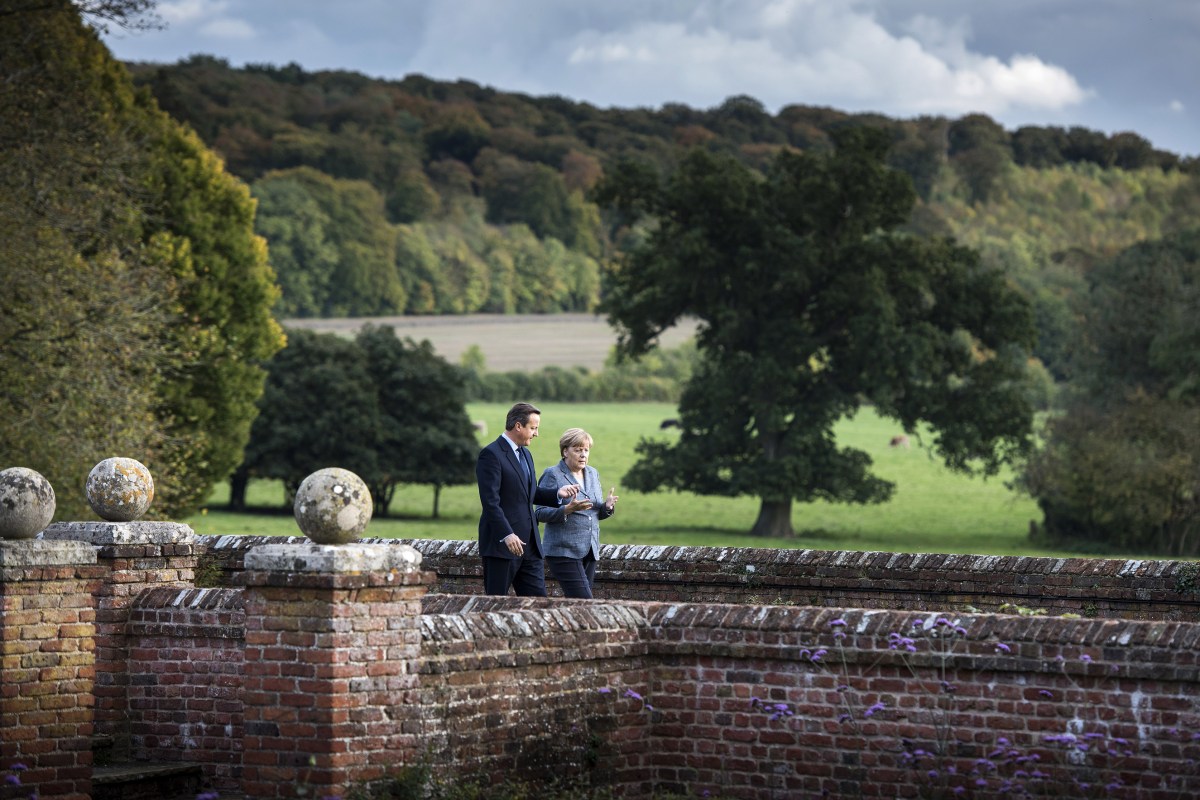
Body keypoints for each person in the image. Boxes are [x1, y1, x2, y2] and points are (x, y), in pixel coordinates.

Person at [476, 402, 584, 596]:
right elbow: (490, 502)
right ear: (518, 426)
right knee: (495, 607)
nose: (536, 434)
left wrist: (557, 493)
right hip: (501, 546)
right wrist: (506, 534)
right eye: (533, 428)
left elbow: (529, 493)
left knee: (538, 607)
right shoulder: (491, 455)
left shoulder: (526, 454)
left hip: (530, 547)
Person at [535, 427, 619, 599]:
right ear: (565, 451)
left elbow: (592, 512)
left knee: (577, 606)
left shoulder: (593, 473)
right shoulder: (553, 474)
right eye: (578, 450)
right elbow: (540, 513)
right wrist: (566, 510)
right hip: (563, 551)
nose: (583, 454)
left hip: (590, 550)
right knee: (585, 602)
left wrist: (607, 507)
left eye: (586, 450)